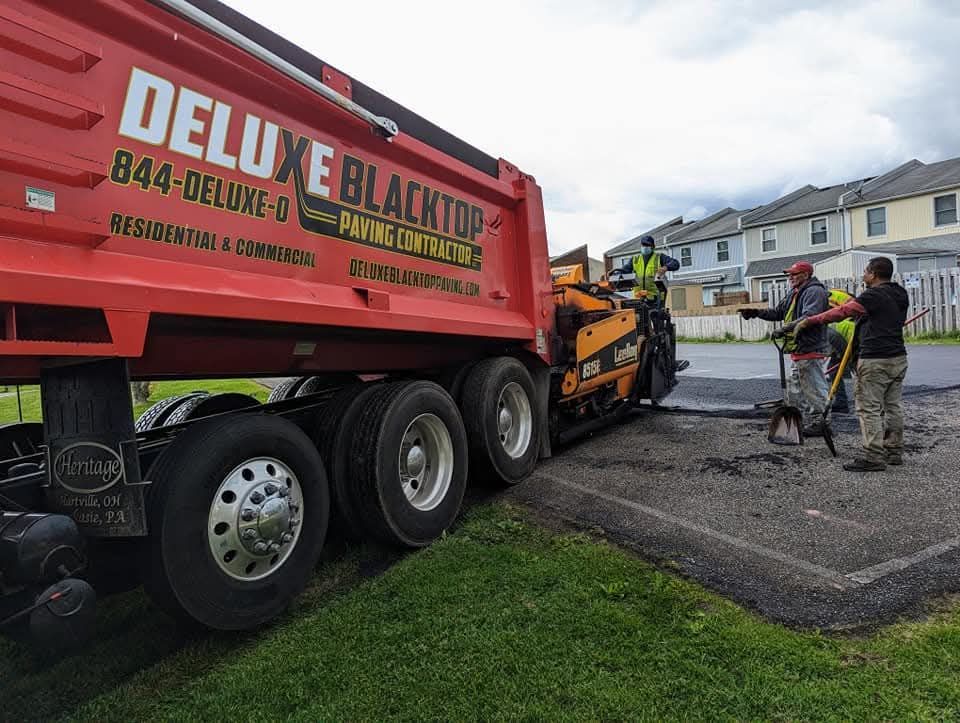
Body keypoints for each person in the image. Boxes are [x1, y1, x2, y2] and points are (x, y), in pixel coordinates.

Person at [794, 257, 909, 471]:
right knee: (893, 406)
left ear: (873, 274)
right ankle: (894, 451)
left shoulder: (873, 294)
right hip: (898, 357)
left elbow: (843, 312)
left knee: (869, 408)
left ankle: (874, 457)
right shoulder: (900, 293)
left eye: (866, 271)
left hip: (875, 358)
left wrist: (811, 320)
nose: (863, 275)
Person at [738, 261, 830, 435]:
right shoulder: (794, 293)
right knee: (796, 389)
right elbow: (779, 313)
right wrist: (756, 312)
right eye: (790, 274)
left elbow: (808, 317)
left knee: (814, 388)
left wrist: (784, 329)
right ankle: (800, 422)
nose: (790, 277)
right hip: (799, 348)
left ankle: (822, 423)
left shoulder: (814, 291)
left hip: (811, 347)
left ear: (806, 275)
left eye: (794, 274)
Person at [617, 235, 680, 304]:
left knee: (655, 314)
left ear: (653, 247)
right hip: (639, 298)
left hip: (656, 298)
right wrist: (615, 274)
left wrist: (666, 267)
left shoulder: (659, 257)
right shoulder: (635, 260)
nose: (645, 247)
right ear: (640, 246)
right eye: (643, 245)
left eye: (647, 245)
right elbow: (623, 271)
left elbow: (675, 263)